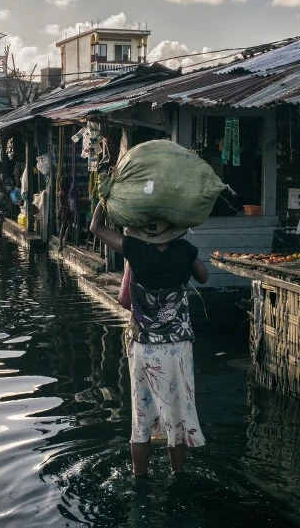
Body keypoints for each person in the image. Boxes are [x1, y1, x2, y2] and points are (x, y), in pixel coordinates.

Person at [90, 203, 208, 480]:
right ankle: (178, 475)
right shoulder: (185, 251)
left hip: (144, 346)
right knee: (177, 417)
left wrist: (104, 201)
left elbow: (96, 227)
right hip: (178, 347)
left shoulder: (135, 250)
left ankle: (139, 477)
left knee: (141, 418)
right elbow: (203, 278)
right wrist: (186, 258)